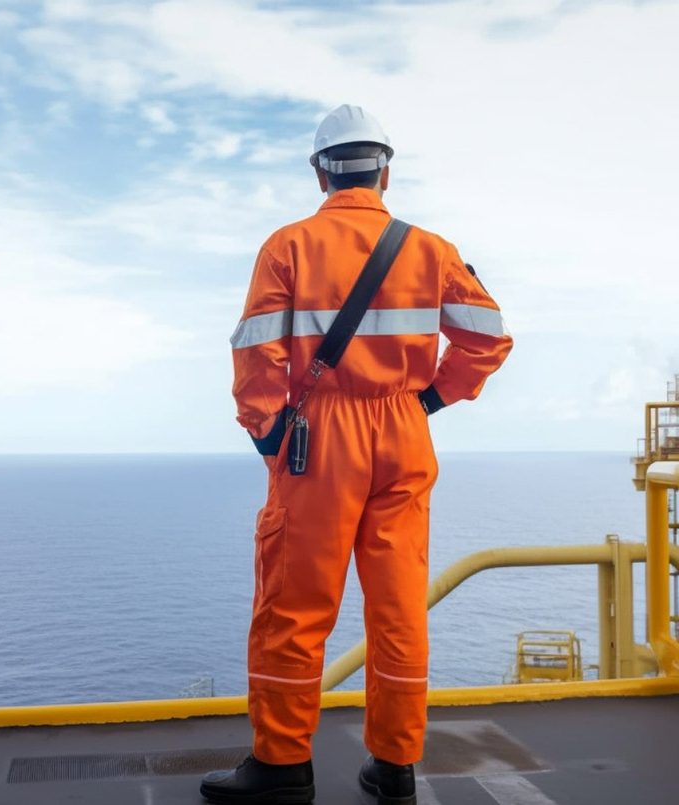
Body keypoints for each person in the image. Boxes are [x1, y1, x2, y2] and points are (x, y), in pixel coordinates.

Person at [201, 104, 513, 805]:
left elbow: (255, 351)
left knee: (295, 603)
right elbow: (488, 336)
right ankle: (395, 766)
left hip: (320, 440)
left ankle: (282, 766)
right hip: (404, 432)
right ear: (386, 171)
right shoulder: (430, 249)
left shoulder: (287, 246)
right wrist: (429, 400)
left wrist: (268, 431)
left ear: (320, 173)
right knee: (399, 606)